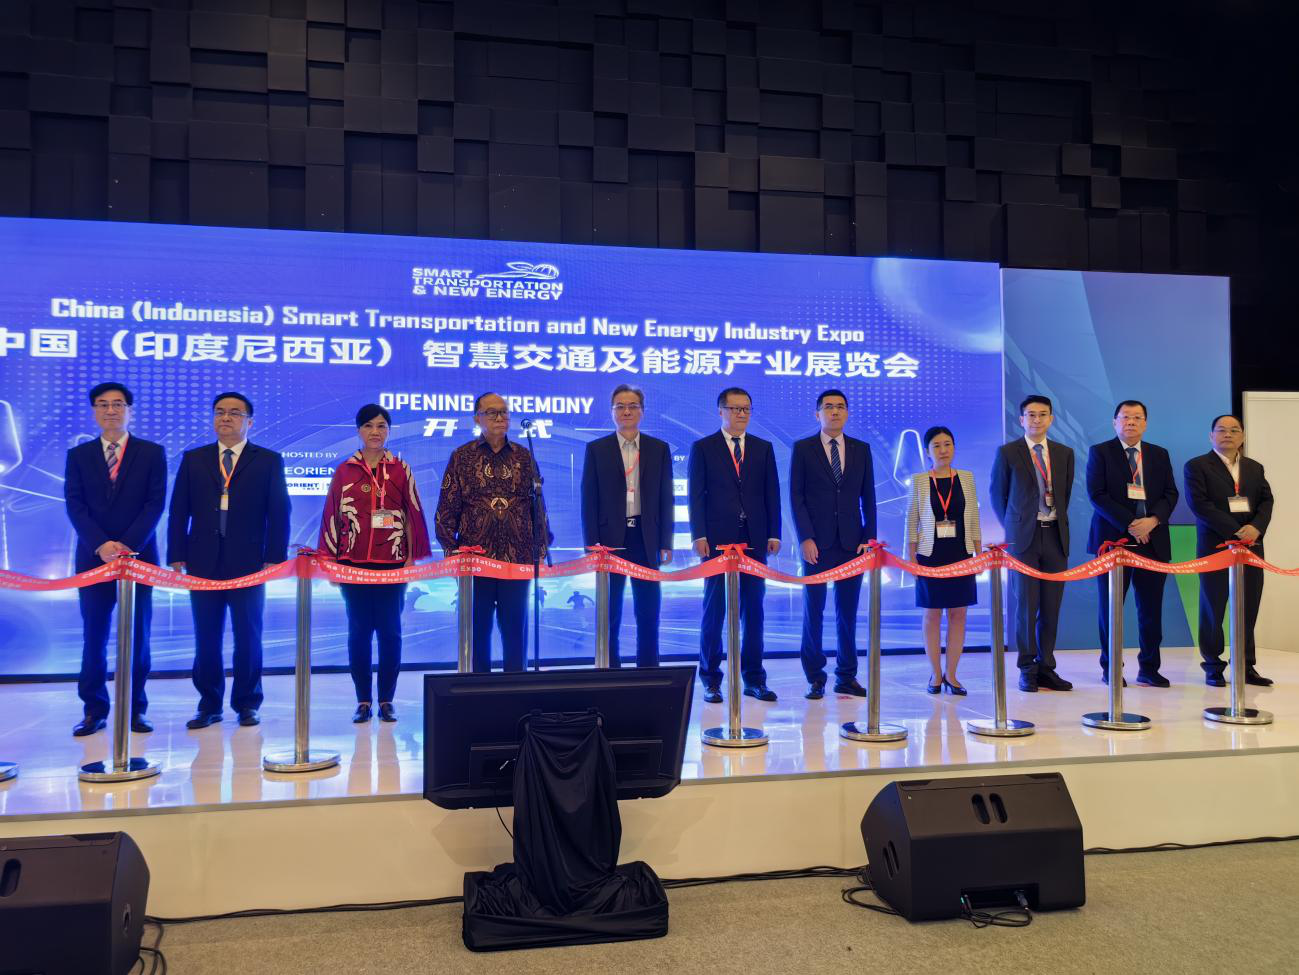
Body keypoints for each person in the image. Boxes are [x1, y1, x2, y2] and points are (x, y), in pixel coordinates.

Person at [168, 392, 291, 729]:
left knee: (248, 636)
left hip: (249, 562)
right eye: (220, 412)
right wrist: (176, 552)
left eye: (234, 413)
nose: (225, 418)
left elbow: (279, 511)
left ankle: (247, 703)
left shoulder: (267, 460)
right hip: (202, 561)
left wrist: (274, 556)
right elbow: (178, 510)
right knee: (206, 637)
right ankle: (208, 705)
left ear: (249, 421)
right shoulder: (194, 459)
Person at [63, 382, 167, 737]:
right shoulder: (79, 455)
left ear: (129, 410)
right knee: (94, 637)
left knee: (138, 637)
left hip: (139, 557)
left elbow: (155, 504)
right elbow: (75, 504)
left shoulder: (151, 453)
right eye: (103, 404)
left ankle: (135, 709)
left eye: (118, 404)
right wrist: (101, 545)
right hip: (93, 560)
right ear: (95, 411)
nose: (111, 410)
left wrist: (126, 545)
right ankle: (94, 710)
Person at [319, 404, 431, 723]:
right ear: (358, 431)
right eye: (368, 426)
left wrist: (409, 558)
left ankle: (386, 700)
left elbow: (412, 513)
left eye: (381, 426)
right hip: (352, 564)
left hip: (391, 564)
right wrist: (330, 560)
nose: (375, 432)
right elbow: (332, 514)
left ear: (389, 431)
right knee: (358, 634)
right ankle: (363, 701)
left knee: (390, 633)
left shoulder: (400, 468)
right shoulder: (345, 470)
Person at [434, 392, 549, 672]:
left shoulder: (524, 456)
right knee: (477, 632)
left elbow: (538, 507)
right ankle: (477, 690)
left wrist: (541, 547)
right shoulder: (462, 457)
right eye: (492, 412)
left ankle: (516, 689)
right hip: (475, 561)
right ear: (478, 418)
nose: (500, 417)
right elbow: (447, 508)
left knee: (515, 633)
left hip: (517, 559)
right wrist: (451, 552)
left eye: (504, 412)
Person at [688, 387, 781, 703]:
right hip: (716, 541)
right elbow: (696, 495)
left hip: (755, 539)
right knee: (714, 611)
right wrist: (699, 535)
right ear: (721, 411)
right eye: (735, 408)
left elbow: (771, 493)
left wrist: (774, 533)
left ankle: (754, 679)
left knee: (754, 611)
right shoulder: (704, 447)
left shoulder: (763, 448)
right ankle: (711, 679)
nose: (741, 414)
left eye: (746, 409)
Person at [789, 389, 876, 699]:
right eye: (828, 407)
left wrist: (868, 538)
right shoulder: (803, 448)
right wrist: (805, 538)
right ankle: (815, 677)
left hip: (852, 544)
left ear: (847, 413)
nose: (835, 412)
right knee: (813, 611)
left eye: (840, 407)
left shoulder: (861, 449)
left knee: (847, 613)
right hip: (817, 544)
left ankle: (846, 676)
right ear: (818, 414)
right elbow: (796, 497)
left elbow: (869, 498)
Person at [1086, 401, 1179, 687]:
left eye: (1137, 417)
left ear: (1145, 423)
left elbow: (1170, 494)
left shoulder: (1159, 454)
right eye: (1125, 417)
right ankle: (1111, 667)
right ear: (1114, 422)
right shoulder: (1100, 452)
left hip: (1153, 539)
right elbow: (1097, 495)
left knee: (1151, 609)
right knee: (1110, 608)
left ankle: (1149, 668)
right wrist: (1131, 524)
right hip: (1114, 540)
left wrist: (1152, 521)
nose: (1131, 422)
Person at [580, 384, 674, 667]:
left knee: (648, 611)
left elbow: (666, 497)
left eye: (633, 406)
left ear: (642, 411)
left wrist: (666, 541)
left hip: (646, 537)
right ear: (612, 412)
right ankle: (609, 671)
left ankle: (648, 670)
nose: (627, 411)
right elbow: (589, 499)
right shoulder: (597, 449)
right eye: (620, 406)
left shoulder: (658, 449)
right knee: (610, 612)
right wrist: (591, 543)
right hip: (609, 541)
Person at [990, 394, 1075, 693]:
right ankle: (1027, 668)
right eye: (1031, 415)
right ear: (1021, 419)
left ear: (1051, 418)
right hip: (1023, 539)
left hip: (1055, 535)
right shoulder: (1008, 452)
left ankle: (1046, 667)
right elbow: (997, 495)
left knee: (1051, 607)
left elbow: (1064, 494)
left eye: (1042, 414)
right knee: (1026, 606)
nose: (1036, 420)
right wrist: (1015, 526)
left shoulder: (1064, 453)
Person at [1184, 415, 1275, 687]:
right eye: (1221, 430)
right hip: (1216, 546)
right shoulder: (1197, 466)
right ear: (1211, 436)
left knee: (1248, 606)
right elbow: (1199, 505)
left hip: (1252, 546)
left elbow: (1267, 501)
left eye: (1234, 430)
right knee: (1213, 607)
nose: (1228, 434)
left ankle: (1245, 665)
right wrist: (1236, 532)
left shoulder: (1254, 467)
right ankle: (1213, 665)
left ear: (1242, 436)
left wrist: (1255, 528)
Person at [906, 426, 980, 696]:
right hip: (930, 555)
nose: (943, 450)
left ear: (954, 448)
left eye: (947, 444)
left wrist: (979, 553)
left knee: (959, 614)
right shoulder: (919, 481)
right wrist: (911, 556)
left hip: (961, 554)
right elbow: (911, 520)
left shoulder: (966, 478)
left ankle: (952, 674)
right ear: (928, 452)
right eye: (936, 446)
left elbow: (973, 518)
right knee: (932, 614)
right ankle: (936, 674)